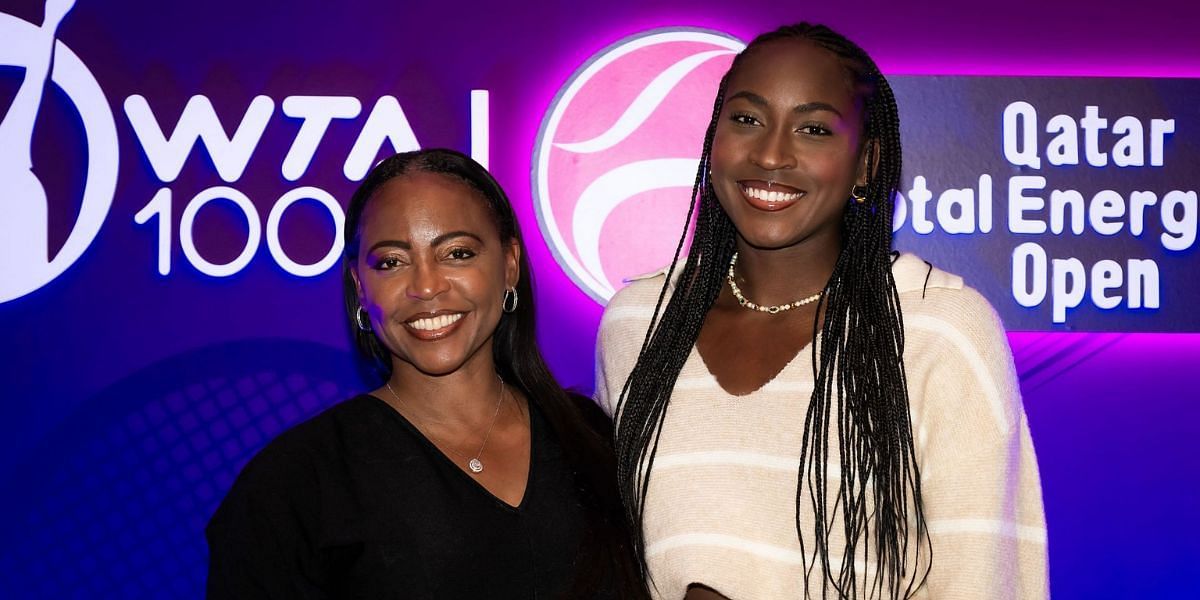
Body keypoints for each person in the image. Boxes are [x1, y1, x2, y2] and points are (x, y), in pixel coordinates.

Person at [596, 24, 1047, 599]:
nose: (771, 153)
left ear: (866, 164)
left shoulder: (939, 329)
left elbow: (983, 583)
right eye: (746, 119)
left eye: (812, 129)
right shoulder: (639, 324)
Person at [208, 149, 645, 598]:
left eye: (456, 253)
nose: (426, 286)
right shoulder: (293, 485)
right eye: (391, 262)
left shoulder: (595, 439)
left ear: (509, 264)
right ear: (360, 286)